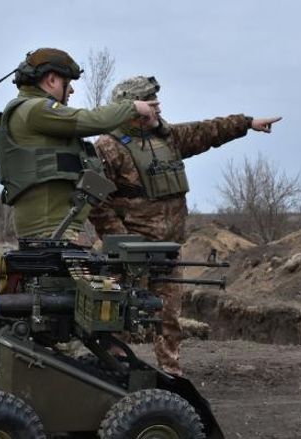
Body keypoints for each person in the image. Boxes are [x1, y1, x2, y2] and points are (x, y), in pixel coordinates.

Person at [88, 75, 281, 375]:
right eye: (152, 104)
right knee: (116, 314)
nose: (159, 108)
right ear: (134, 108)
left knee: (168, 317)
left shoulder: (167, 138)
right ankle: (112, 372)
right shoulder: (107, 147)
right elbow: (97, 203)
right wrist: (121, 241)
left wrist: (248, 123)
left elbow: (208, 131)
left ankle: (171, 374)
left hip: (167, 250)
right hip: (127, 254)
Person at [0, 48, 159, 241]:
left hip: (55, 226)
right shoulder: (35, 109)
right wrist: (133, 107)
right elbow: (91, 120)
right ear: (51, 80)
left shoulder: (29, 110)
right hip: (50, 229)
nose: (71, 90)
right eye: (67, 83)